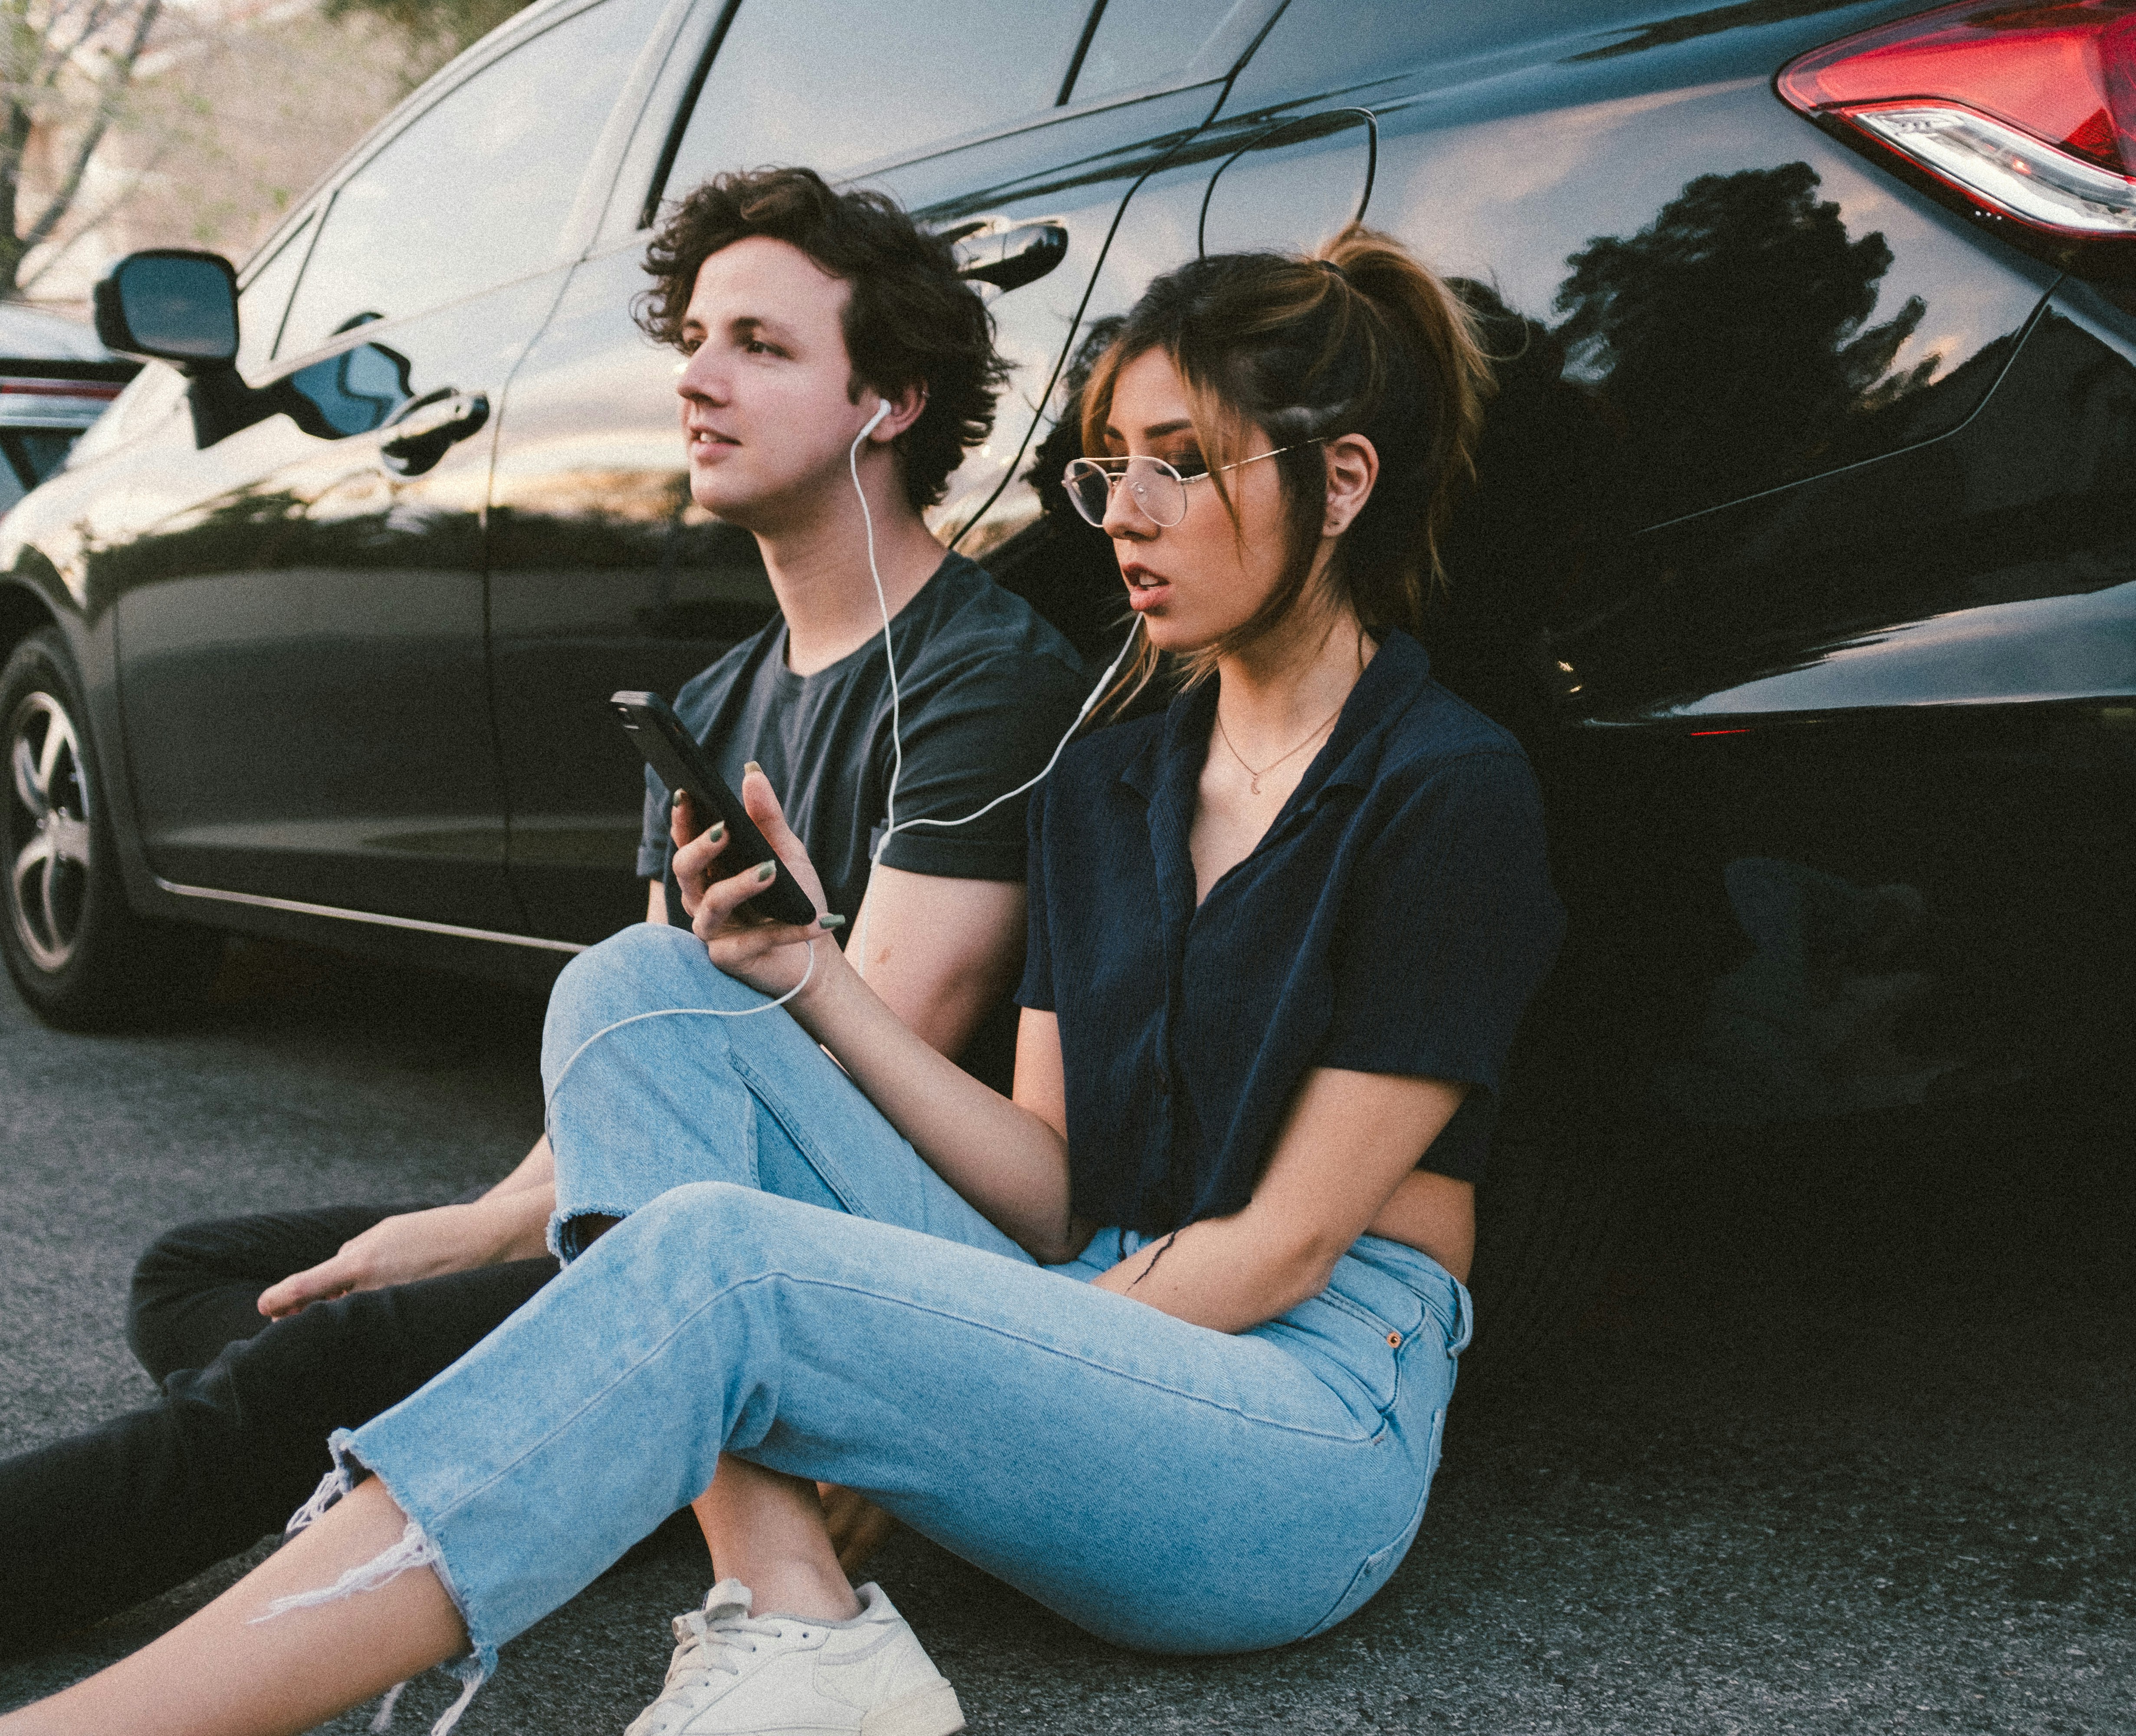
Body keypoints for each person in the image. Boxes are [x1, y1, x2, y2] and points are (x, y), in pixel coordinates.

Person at [2, 222, 1565, 1736]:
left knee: (724, 1271)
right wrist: (808, 975)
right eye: (1108, 468)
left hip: (1295, 1431)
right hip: (1098, 1322)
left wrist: (912, 1364)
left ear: (1340, 480)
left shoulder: (1444, 788)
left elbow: (1284, 1252)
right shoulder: (1111, 784)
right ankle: (792, 1606)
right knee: (640, 989)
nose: (1127, 514)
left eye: (1182, 463)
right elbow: (1045, 1188)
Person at [0, 166, 1087, 1651]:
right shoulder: (712, 702)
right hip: (668, 1200)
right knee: (207, 1277)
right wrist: (483, 1221)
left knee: (309, 1365)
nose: (697, 378)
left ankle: (551, 1453)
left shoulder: (982, 675)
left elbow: (857, 1079)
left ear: (888, 401)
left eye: (760, 347)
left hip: (827, 1255)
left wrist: (485, 1250)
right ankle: (560, 1467)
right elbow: (628, 1047)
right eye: (695, 339)